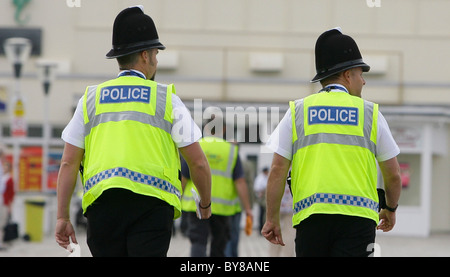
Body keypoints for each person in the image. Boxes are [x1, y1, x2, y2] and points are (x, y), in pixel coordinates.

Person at [55, 6, 211, 257]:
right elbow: (198, 163)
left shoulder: (90, 99)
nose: (157, 61)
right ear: (145, 55)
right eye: (156, 54)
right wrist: (204, 204)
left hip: (102, 208)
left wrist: (62, 216)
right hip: (152, 209)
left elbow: (68, 163)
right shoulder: (166, 99)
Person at [262, 28, 402, 257]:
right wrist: (390, 208)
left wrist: (272, 218)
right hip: (358, 223)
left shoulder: (298, 111)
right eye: (360, 73)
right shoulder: (370, 114)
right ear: (347, 75)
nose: (364, 81)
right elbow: (394, 174)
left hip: (311, 220)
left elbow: (277, 169)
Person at [181, 135, 253, 257]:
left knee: (198, 241)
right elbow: (240, 182)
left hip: (196, 204)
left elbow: (184, 178)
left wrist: (175, 199)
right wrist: (248, 209)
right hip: (223, 207)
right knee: (219, 245)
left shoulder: (196, 145)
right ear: (224, 130)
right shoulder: (230, 150)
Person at [254, 167, 268, 234]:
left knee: (265, 214)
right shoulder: (260, 178)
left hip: (265, 198)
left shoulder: (266, 177)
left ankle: (264, 228)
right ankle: (260, 229)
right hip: (262, 198)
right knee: (261, 214)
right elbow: (257, 188)